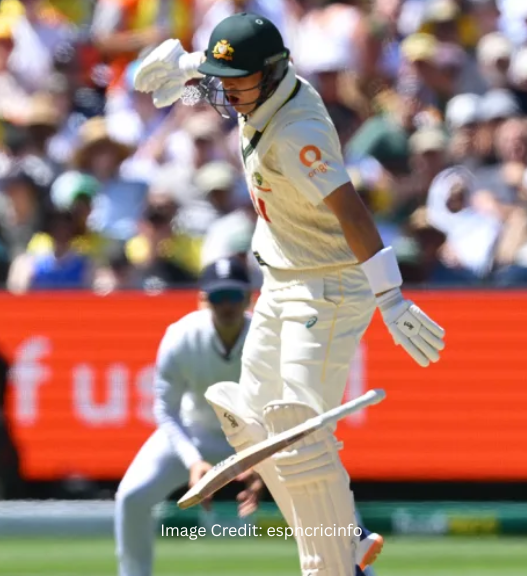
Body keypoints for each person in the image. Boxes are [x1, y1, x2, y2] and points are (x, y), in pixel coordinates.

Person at [134, 14, 445, 575]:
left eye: (237, 79)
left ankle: (334, 560)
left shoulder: (298, 131)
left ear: (273, 72)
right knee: (249, 419)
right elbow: (224, 73)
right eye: (221, 78)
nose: (226, 91)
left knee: (297, 426)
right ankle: (346, 537)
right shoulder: (259, 90)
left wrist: (391, 298)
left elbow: (352, 209)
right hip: (281, 279)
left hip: (327, 289)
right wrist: (184, 66)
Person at [114, 257, 260, 576]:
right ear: (202, 300)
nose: (226, 306)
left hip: (257, 440)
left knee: (324, 490)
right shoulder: (180, 337)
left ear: (249, 298)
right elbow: (166, 411)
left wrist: (261, 462)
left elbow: (281, 406)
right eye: (217, 296)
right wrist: (194, 461)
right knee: (131, 497)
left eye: (233, 296)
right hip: (196, 436)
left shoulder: (266, 340)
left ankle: (356, 566)